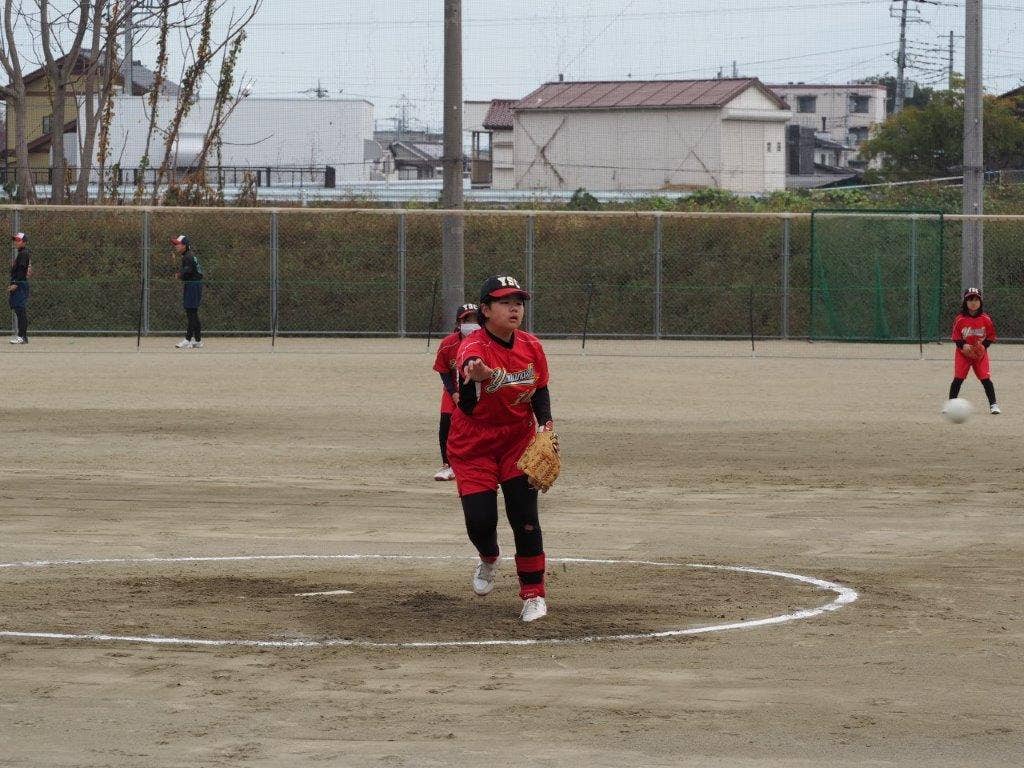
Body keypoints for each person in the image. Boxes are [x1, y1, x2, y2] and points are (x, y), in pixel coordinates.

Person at [446, 275, 554, 623]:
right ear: (486, 310)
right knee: (480, 522)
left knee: (524, 518)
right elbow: (469, 368)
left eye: (519, 302)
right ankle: (489, 556)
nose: (514, 308)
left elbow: (539, 388)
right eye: (505, 302)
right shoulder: (473, 346)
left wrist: (546, 425)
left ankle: (534, 594)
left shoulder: (531, 346)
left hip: (516, 441)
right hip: (473, 443)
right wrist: (477, 373)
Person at [432, 303, 480, 481]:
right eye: (467, 319)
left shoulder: (486, 341)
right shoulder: (448, 344)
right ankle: (447, 465)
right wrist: (452, 392)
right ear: (459, 323)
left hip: (479, 393)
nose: (472, 323)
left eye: (475, 318)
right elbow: (443, 369)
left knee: (478, 427)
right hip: (453, 391)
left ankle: (476, 463)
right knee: (446, 424)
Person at [948, 287, 1000, 414]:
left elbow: (991, 336)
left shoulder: (986, 319)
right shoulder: (960, 319)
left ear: (980, 302)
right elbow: (956, 336)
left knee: (985, 379)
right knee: (958, 379)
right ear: (965, 302)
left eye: (976, 299)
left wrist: (984, 346)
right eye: (970, 299)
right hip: (963, 354)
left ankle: (993, 404)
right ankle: (950, 404)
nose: (973, 302)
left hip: (979, 354)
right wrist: (962, 346)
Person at [171, 234, 204, 349]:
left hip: (193, 286)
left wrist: (179, 275)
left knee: (191, 313)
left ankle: (188, 339)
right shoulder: (189, 256)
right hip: (193, 285)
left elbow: (187, 272)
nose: (176, 246)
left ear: (184, 245)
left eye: (178, 244)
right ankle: (198, 341)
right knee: (193, 312)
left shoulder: (187, 257)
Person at [8, 232, 31, 345]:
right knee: (18, 310)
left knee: (21, 311)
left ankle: (22, 336)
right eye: (15, 240)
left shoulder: (24, 253)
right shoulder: (21, 253)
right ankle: (22, 336)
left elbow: (22, 270)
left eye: (19, 240)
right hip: (19, 284)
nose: (16, 242)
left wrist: (16, 284)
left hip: (20, 285)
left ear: (24, 242)